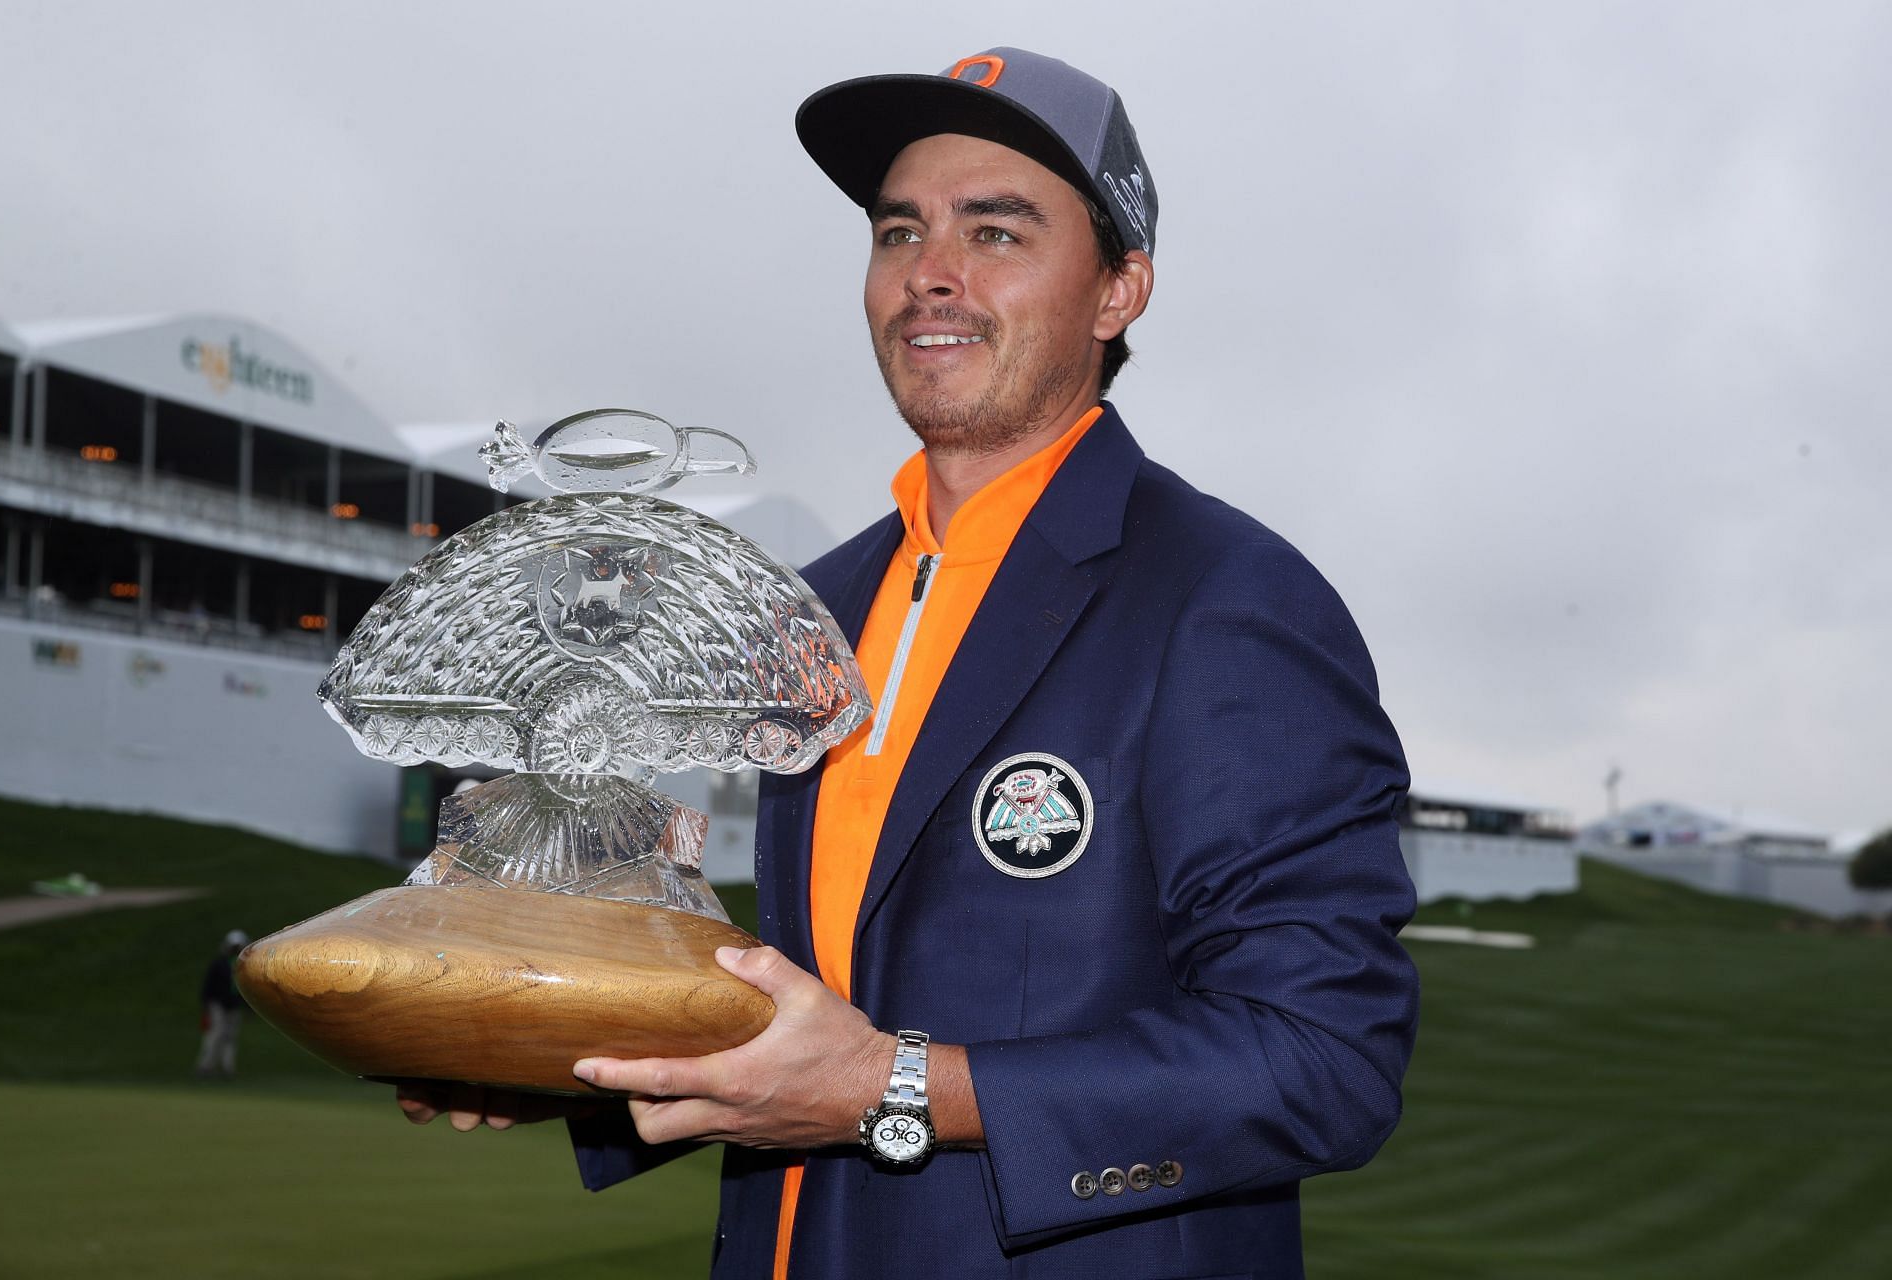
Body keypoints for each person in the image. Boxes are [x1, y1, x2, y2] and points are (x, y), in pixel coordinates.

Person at [401, 46, 1418, 1280]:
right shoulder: (817, 604)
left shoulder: (1224, 597)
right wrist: (567, 1056)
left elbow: (1324, 1058)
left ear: (1119, 290)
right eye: (898, 233)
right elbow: (825, 1018)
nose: (928, 274)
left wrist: (893, 1085)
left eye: (996, 232)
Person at [195, 928, 249, 1079]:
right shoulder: (219, 964)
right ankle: (206, 1066)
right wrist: (206, 1005)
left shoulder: (241, 965)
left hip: (234, 1006)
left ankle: (228, 1068)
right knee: (215, 1034)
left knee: (230, 1036)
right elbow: (208, 987)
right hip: (217, 1004)